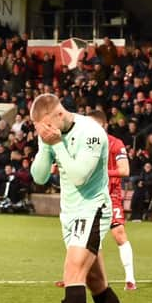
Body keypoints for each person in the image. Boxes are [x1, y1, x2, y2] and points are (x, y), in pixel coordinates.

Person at [27, 94, 140, 303]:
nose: (42, 131)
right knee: (96, 282)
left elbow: (79, 176)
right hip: (70, 214)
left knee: (73, 272)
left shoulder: (92, 132)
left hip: (93, 211)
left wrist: (57, 145)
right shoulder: (50, 134)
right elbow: (39, 177)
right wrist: (45, 145)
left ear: (57, 115)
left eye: (43, 125)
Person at [56, 110, 137, 290]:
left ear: (104, 126)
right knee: (82, 239)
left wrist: (100, 173)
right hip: (85, 199)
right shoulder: (79, 141)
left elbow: (125, 170)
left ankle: (130, 278)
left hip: (110, 196)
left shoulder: (115, 143)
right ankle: (75, 275)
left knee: (119, 234)